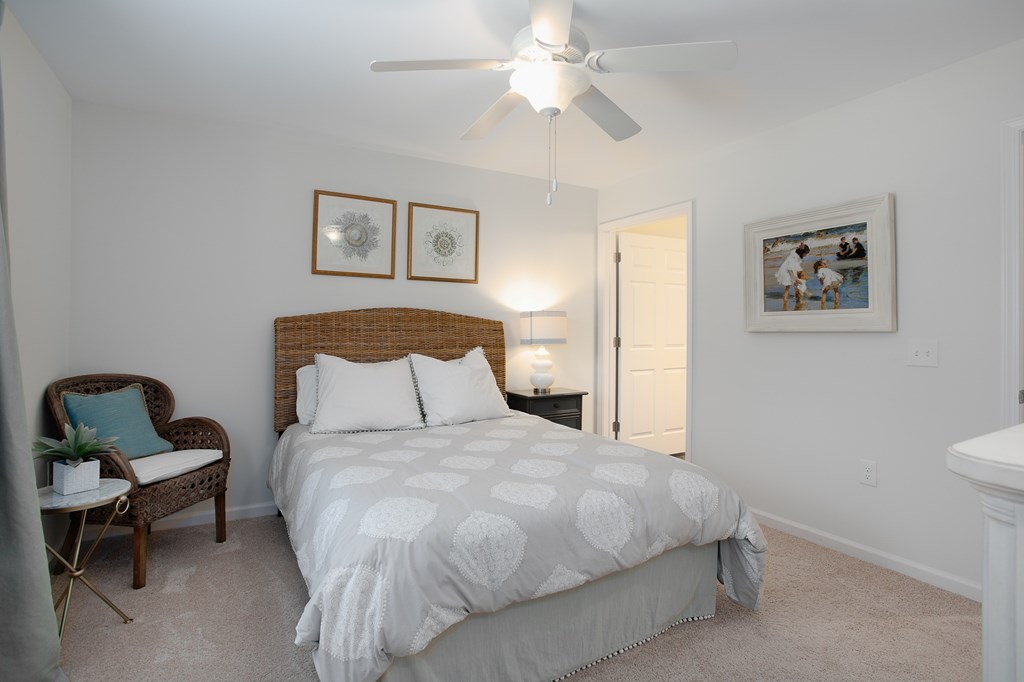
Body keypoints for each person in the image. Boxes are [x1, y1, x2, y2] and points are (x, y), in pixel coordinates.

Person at [774, 242, 811, 310]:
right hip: (786, 272)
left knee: (796, 286)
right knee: (788, 288)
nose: (806, 255)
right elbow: (790, 269)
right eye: (805, 253)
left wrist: (799, 274)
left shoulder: (796, 256)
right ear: (801, 252)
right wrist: (795, 278)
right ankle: (785, 302)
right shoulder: (793, 257)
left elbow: (796, 266)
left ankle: (798, 300)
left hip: (790, 271)